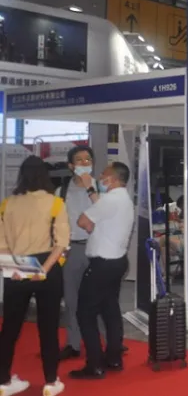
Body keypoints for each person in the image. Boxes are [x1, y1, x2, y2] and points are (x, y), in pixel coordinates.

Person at [0, 156, 69, 396]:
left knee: (10, 327)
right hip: (45, 265)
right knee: (48, 326)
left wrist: (12, 268)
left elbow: (2, 243)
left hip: (15, 266)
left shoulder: (7, 204)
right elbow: (61, 243)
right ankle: (50, 381)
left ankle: (3, 380)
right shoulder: (55, 203)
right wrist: (43, 270)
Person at [69, 162, 135, 380]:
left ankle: (95, 364)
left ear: (113, 179)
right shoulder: (122, 199)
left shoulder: (110, 199)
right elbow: (99, 210)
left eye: (104, 175)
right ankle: (114, 358)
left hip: (102, 265)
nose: (100, 177)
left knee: (85, 313)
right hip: (116, 262)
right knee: (110, 310)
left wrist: (90, 224)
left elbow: (83, 221)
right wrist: (91, 190)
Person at [57, 145, 97, 361]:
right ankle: (73, 344)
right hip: (71, 249)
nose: (84, 163)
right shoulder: (61, 192)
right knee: (71, 299)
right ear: (71, 165)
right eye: (79, 160)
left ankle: (105, 343)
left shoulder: (100, 188)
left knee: (99, 299)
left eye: (88, 159)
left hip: (97, 248)